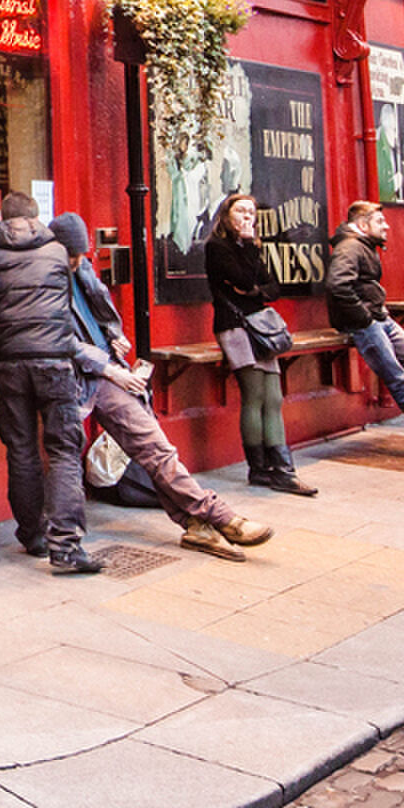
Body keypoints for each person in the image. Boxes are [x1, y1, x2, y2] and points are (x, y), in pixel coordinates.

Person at [52, 214, 271, 562]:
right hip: (84, 378)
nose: (78, 262)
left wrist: (114, 335)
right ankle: (217, 516)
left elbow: (101, 310)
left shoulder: (82, 268)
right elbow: (58, 337)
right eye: (71, 255)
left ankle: (200, 523)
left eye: (82, 255)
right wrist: (109, 369)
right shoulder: (46, 277)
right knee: (152, 449)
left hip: (108, 371)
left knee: (154, 449)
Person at [0, 192, 100, 574]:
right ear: (36, 218)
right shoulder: (57, 253)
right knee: (63, 449)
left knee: (21, 448)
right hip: (54, 360)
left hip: (9, 362)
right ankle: (67, 546)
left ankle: (33, 536)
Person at [206, 193, 316, 495]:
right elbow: (240, 278)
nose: (247, 217)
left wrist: (253, 285)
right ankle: (262, 469)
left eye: (251, 213)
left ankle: (281, 469)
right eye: (240, 211)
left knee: (274, 397)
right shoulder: (218, 247)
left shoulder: (251, 247)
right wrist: (252, 276)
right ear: (226, 216)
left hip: (260, 329)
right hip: (236, 327)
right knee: (254, 396)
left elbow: (272, 287)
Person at [326, 201, 404, 451]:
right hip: (367, 324)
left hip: (380, 319)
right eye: (380, 222)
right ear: (362, 224)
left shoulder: (364, 246)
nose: (387, 226)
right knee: (400, 382)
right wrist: (364, 317)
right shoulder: (350, 247)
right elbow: (338, 285)